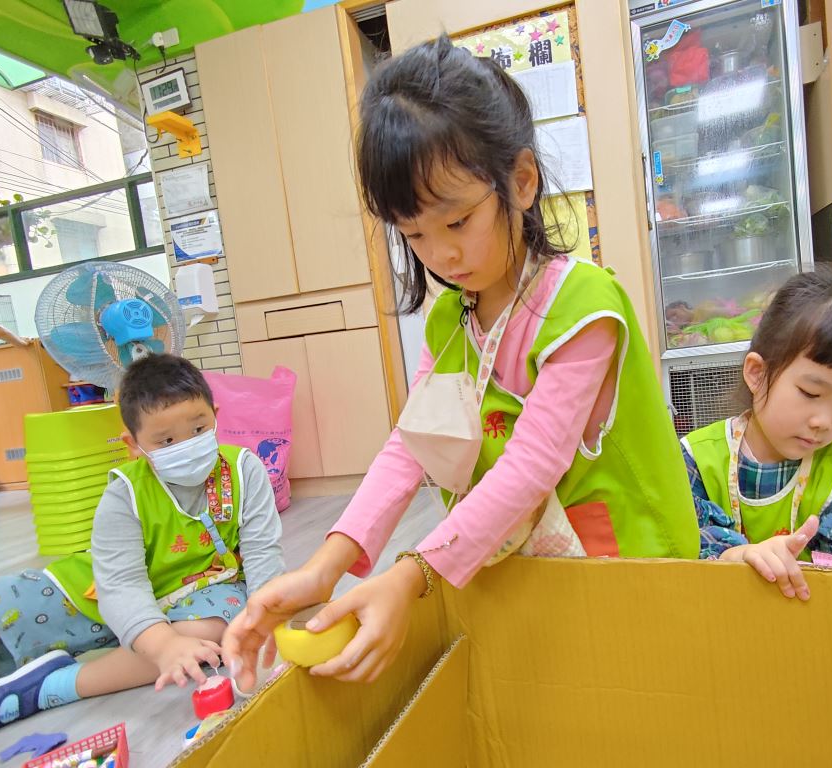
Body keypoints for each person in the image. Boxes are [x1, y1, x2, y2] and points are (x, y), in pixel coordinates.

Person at [223, 35, 701, 689]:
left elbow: (532, 466)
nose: (441, 255)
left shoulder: (583, 307)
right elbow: (410, 445)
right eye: (414, 234)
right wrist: (325, 565)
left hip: (624, 562)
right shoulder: (451, 320)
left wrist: (413, 574)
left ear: (522, 181)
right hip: (526, 558)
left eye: (456, 222)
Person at [0, 354, 284, 729]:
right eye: (166, 440)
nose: (187, 445)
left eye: (198, 429)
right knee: (8, 604)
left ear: (215, 416)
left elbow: (263, 553)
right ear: (133, 444)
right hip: (95, 593)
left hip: (202, 594)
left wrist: (265, 621)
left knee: (218, 631)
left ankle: (51, 686)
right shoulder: (124, 494)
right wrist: (160, 643)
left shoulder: (244, 470)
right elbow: (120, 585)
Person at [686, 270, 832, 601]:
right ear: (757, 374)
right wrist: (735, 554)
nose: (824, 421)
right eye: (810, 393)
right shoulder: (697, 458)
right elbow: (674, 552)